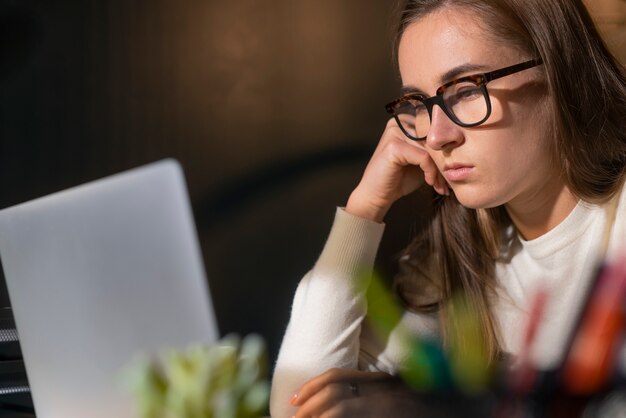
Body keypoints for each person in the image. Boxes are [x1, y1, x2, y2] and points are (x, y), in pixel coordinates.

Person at [270, 0, 626, 417]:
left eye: (467, 90)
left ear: (558, 70)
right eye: (419, 104)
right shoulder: (463, 264)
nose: (436, 136)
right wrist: (363, 209)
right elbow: (295, 407)